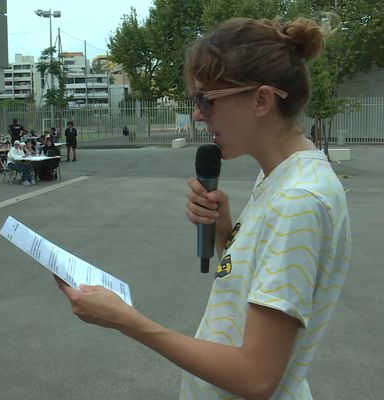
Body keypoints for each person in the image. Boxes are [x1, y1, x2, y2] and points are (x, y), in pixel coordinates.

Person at [54, 16, 351, 400]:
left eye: (205, 100)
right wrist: (225, 233)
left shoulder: (298, 200)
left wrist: (126, 321)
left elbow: (256, 376)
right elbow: (253, 288)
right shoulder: (278, 178)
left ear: (261, 99)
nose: (197, 114)